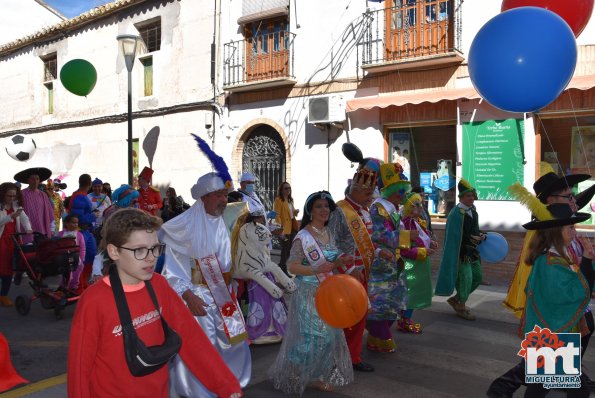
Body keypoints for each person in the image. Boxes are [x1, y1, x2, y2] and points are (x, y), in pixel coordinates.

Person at [67, 208, 242, 398]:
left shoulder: (159, 285)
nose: (151, 258)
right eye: (140, 250)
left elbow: (191, 338)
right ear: (114, 251)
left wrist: (226, 385)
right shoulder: (94, 300)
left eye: (155, 248)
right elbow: (79, 369)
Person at [488, 174, 595, 397]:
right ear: (551, 201)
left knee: (546, 376)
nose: (573, 200)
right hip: (554, 320)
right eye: (568, 196)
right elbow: (551, 285)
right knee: (553, 373)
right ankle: (507, 384)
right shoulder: (547, 246)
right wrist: (586, 264)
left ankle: (570, 374)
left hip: (562, 320)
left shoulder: (560, 232)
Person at [159, 135, 251, 397]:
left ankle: (228, 386)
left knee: (234, 344)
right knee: (201, 349)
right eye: (219, 195)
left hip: (224, 295)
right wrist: (188, 297)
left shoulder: (224, 221)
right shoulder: (183, 228)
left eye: (225, 194)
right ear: (205, 198)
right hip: (197, 299)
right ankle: (196, 392)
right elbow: (172, 273)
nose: (224, 200)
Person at [269, 190, 354, 394]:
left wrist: (340, 261)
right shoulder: (303, 236)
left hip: (326, 290)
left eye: (326, 206)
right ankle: (295, 370)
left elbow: (329, 261)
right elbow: (292, 266)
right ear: (310, 210)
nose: (324, 210)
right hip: (308, 292)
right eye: (319, 206)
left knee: (330, 337)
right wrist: (316, 269)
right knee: (313, 337)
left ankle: (314, 375)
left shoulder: (328, 233)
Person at [327, 160, 381, 373]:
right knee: (343, 317)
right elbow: (329, 244)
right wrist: (349, 269)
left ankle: (353, 356)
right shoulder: (340, 211)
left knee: (359, 316)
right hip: (345, 274)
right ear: (356, 191)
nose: (371, 198)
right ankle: (337, 357)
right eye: (368, 194)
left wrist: (378, 252)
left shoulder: (365, 211)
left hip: (363, 273)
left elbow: (369, 240)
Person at [366, 162, 414, 352]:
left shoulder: (392, 208)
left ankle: (375, 336)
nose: (403, 196)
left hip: (394, 264)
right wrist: (407, 237)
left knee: (394, 301)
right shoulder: (379, 209)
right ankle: (380, 336)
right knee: (381, 302)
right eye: (400, 192)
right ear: (392, 191)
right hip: (381, 265)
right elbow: (380, 236)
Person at [435, 179, 486, 321]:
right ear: (461, 197)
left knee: (477, 277)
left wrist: (480, 234)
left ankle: (456, 299)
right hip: (462, 254)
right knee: (466, 279)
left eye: (472, 195)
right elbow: (454, 237)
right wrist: (472, 240)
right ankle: (461, 307)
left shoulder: (473, 211)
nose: (472, 198)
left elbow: (473, 230)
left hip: (473, 253)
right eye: (468, 196)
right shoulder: (456, 213)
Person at [399, 191, 437, 333]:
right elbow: (404, 250)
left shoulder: (416, 222)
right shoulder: (404, 224)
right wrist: (423, 252)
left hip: (419, 265)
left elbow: (422, 239)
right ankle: (404, 321)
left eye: (420, 204)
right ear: (409, 207)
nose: (421, 208)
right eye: (417, 205)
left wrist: (431, 243)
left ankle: (405, 319)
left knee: (414, 294)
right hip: (411, 266)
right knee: (411, 294)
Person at [0, 183, 31, 307]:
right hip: (1, 241)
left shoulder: (16, 205)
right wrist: (10, 216)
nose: (12, 198)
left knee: (9, 269)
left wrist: (28, 228)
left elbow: (24, 218)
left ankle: (3, 295)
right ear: (2, 195)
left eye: (14, 196)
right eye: (9, 196)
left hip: (13, 241)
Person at [14, 167, 54, 239]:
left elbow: (49, 212)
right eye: (32, 179)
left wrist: (52, 228)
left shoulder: (43, 195)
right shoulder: (21, 194)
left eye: (37, 179)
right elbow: (17, 212)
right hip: (27, 230)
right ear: (28, 180)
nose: (35, 181)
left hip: (42, 230)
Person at [274, 181, 299, 275]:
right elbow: (277, 215)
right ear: (281, 190)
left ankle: (281, 265)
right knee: (285, 249)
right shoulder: (278, 200)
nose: (288, 190)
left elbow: (290, 214)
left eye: (289, 188)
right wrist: (281, 229)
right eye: (286, 188)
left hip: (292, 227)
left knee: (290, 249)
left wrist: (295, 212)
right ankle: (283, 269)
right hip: (284, 229)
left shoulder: (290, 200)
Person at [58, 215, 86, 292]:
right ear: (66, 223)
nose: (76, 224)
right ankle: (64, 286)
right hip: (64, 258)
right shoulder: (60, 234)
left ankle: (73, 286)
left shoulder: (79, 235)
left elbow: (82, 248)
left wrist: (81, 258)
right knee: (66, 274)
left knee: (76, 273)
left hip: (76, 258)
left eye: (77, 223)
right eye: (73, 223)